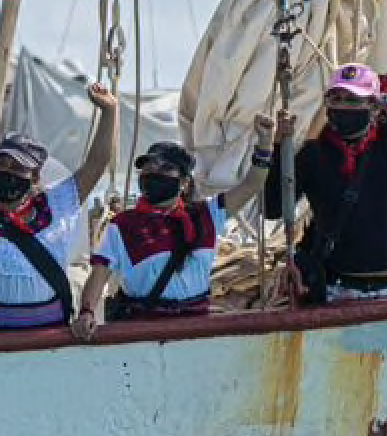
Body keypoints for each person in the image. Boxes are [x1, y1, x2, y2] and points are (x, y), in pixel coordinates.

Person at [263, 11, 387, 303]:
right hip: (338, 291)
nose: (343, 106)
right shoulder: (314, 156)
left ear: (373, 106)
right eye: (336, 98)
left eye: (353, 99)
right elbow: (275, 207)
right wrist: (278, 148)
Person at [0, 84, 119, 355]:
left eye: (16, 168)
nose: (6, 171)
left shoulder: (55, 205)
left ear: (35, 177)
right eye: (0, 164)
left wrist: (109, 111)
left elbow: (96, 164)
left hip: (51, 340)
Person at [72, 114, 275, 340]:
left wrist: (265, 144)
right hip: (144, 331)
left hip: (197, 329)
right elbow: (99, 273)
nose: (154, 173)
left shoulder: (205, 214)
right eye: (148, 167)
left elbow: (252, 185)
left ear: (185, 182)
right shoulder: (123, 224)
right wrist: (86, 312)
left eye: (165, 168)